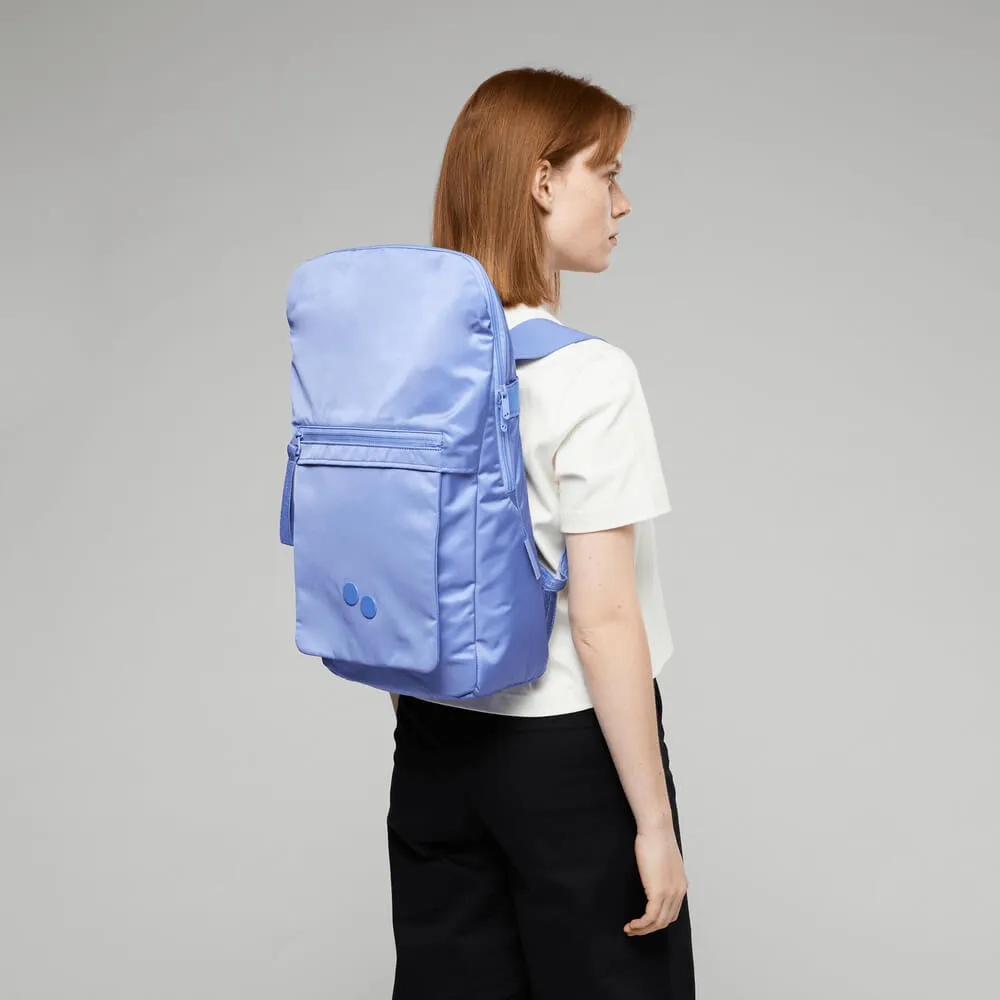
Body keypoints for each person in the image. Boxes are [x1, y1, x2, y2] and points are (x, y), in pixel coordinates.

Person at [386, 66, 696, 999]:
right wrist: (652, 823)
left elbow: (396, 562)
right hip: (567, 752)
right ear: (543, 181)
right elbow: (603, 621)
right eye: (609, 172)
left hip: (433, 745)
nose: (622, 202)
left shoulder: (407, 365)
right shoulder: (591, 377)